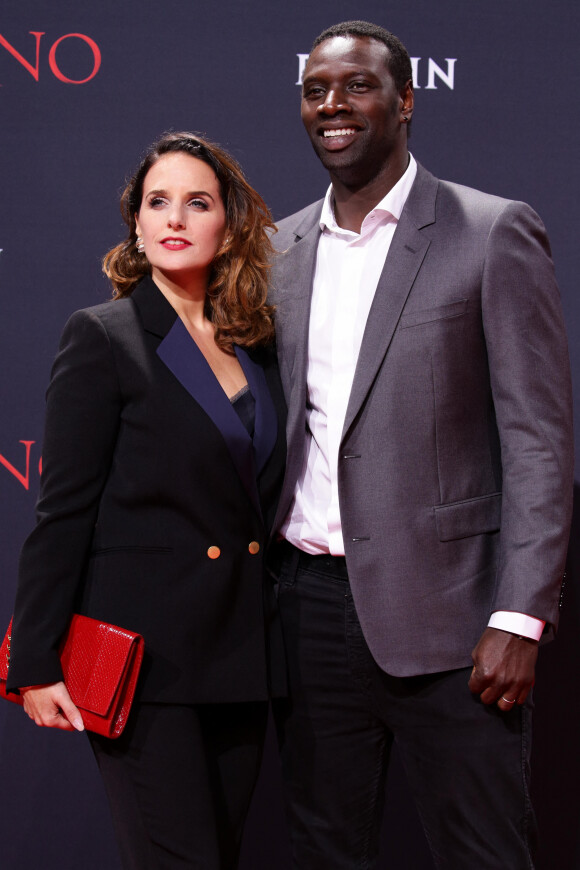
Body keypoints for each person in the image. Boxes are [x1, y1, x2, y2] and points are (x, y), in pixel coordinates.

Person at [269, 20, 574, 869]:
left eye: (357, 86)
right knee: (326, 850)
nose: (333, 105)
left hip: (457, 621)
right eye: (316, 90)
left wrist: (521, 616)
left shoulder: (490, 230)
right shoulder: (277, 250)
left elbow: (539, 442)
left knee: (485, 853)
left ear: (405, 102)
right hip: (309, 615)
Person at [6, 131, 286, 870]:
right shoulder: (104, 337)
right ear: (135, 223)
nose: (176, 218)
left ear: (228, 223)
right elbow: (62, 510)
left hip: (242, 656)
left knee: (220, 856)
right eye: (158, 201)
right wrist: (33, 661)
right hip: (145, 664)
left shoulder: (256, 341)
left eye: (198, 202)